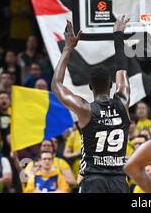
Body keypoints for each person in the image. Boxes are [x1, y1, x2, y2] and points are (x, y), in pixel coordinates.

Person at [52, 17, 131, 193]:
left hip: (94, 180)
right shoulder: (123, 101)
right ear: (112, 85)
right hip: (119, 180)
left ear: (90, 87)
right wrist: (118, 36)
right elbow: (122, 70)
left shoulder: (85, 109)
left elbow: (57, 85)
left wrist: (67, 48)